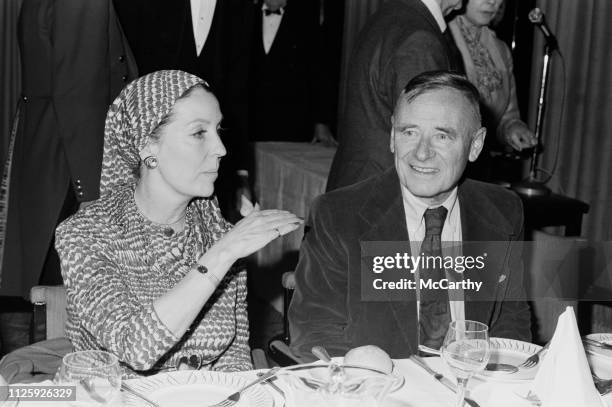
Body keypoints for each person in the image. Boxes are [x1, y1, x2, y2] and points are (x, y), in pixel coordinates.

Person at [55, 70, 302, 377]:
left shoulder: (218, 232)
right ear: (148, 146)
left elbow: (233, 356)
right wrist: (222, 254)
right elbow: (136, 348)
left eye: (218, 130)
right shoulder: (85, 235)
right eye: (199, 133)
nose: (221, 149)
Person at [289, 71, 531, 360]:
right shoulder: (339, 217)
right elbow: (315, 336)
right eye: (409, 132)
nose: (422, 153)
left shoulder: (503, 212)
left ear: (475, 145)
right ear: (392, 136)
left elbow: (509, 320)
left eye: (442, 136)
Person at [0, 0, 137, 297]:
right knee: (65, 288)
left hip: (47, 143)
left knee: (38, 275)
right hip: (73, 156)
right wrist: (90, 194)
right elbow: (79, 93)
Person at [326, 0, 465, 191]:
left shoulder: (394, 14)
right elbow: (423, 151)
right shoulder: (419, 38)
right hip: (385, 198)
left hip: (361, 189)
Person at [448, 0, 537, 152]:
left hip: (481, 159)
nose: (492, 1)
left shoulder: (501, 50)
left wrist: (511, 128)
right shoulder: (443, 37)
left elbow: (507, 115)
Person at [248, 0, 336, 145]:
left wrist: (321, 122)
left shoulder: (306, 19)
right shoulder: (246, 15)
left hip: (292, 123)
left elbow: (320, 75)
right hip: (251, 123)